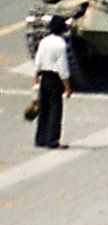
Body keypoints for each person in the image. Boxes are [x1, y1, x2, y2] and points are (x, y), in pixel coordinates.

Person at [33, 15, 72, 149]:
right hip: (55, 79)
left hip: (44, 77)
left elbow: (38, 61)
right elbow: (63, 68)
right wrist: (67, 87)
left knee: (44, 109)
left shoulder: (44, 41)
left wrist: (36, 78)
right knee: (56, 110)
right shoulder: (61, 44)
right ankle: (53, 140)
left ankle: (41, 138)